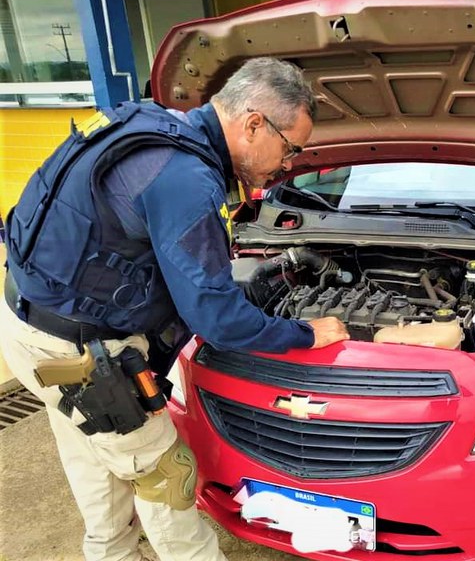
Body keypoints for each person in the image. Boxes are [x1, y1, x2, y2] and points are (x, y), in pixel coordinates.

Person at [0, 57, 349, 561]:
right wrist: (305, 333)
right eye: (290, 148)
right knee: (165, 477)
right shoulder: (187, 177)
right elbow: (218, 319)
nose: (289, 164)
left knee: (99, 460)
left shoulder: (150, 124)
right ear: (254, 124)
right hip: (84, 356)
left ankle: (108, 551)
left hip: (30, 325)